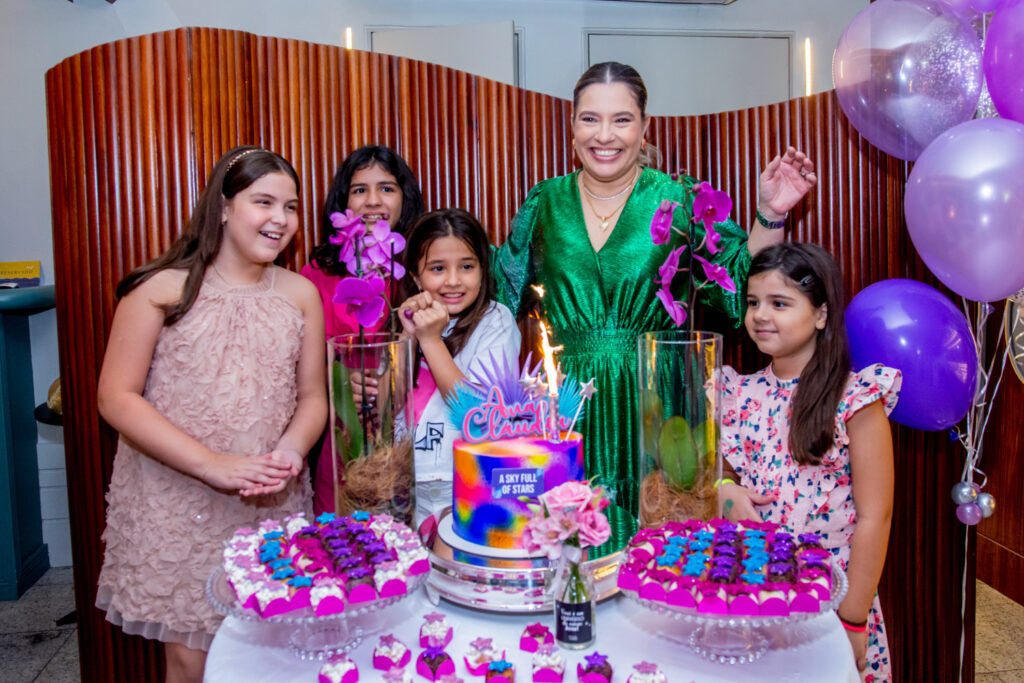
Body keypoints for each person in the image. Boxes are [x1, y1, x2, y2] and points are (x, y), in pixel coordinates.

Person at [494, 61, 817, 538]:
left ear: (644, 127)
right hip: (566, 413)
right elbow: (499, 297)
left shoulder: (677, 200)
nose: (605, 135)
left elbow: (739, 286)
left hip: (658, 401)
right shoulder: (544, 204)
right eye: (590, 118)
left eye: (622, 119)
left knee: (662, 554)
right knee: (570, 554)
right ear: (572, 125)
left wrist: (769, 214)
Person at [95, 146, 327, 682]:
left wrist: (290, 451)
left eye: (291, 206)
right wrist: (210, 465)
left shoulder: (300, 294)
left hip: (268, 496)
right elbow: (116, 397)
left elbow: (313, 396)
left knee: (269, 651)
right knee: (191, 657)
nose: (280, 218)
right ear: (222, 207)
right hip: (178, 497)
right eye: (264, 202)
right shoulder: (160, 290)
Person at [718, 242, 898, 681]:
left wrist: (853, 620)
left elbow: (876, 517)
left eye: (779, 303)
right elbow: (722, 471)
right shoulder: (738, 393)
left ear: (820, 314)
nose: (761, 315)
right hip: (754, 593)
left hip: (830, 600)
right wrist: (725, 490)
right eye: (753, 302)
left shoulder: (856, 399)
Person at [363, 208, 521, 525]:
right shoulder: (404, 322)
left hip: (468, 482)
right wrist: (408, 337)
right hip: (405, 485)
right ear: (415, 276)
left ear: (483, 270)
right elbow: (382, 411)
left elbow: (477, 413)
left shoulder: (495, 321)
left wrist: (431, 340)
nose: (453, 280)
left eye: (467, 266)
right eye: (437, 268)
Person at [303, 145, 426, 513]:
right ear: (343, 202)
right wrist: (339, 382)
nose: (373, 201)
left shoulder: (420, 269)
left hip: (411, 442)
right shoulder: (317, 275)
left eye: (387, 188)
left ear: (405, 199)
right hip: (342, 444)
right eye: (359, 190)